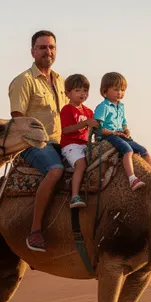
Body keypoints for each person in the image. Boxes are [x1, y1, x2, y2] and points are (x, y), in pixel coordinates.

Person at [8, 30, 69, 252]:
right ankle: (35, 231)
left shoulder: (61, 81)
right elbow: (18, 120)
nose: (48, 51)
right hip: (34, 144)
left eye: (52, 47)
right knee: (55, 171)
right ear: (33, 51)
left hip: (63, 141)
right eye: (43, 47)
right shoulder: (23, 81)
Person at [93, 71, 151, 191]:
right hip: (108, 136)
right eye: (116, 89)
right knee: (127, 150)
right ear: (105, 91)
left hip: (120, 135)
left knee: (143, 150)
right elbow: (98, 128)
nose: (120, 93)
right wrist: (113, 133)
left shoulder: (121, 106)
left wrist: (126, 129)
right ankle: (132, 179)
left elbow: (123, 122)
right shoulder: (103, 107)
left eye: (122, 90)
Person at [59, 73, 99, 208]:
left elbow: (93, 131)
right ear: (68, 93)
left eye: (85, 90)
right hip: (71, 145)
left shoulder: (89, 111)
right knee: (81, 165)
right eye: (77, 90)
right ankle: (74, 196)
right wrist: (85, 123)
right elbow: (66, 130)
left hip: (85, 144)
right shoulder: (67, 109)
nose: (82, 93)